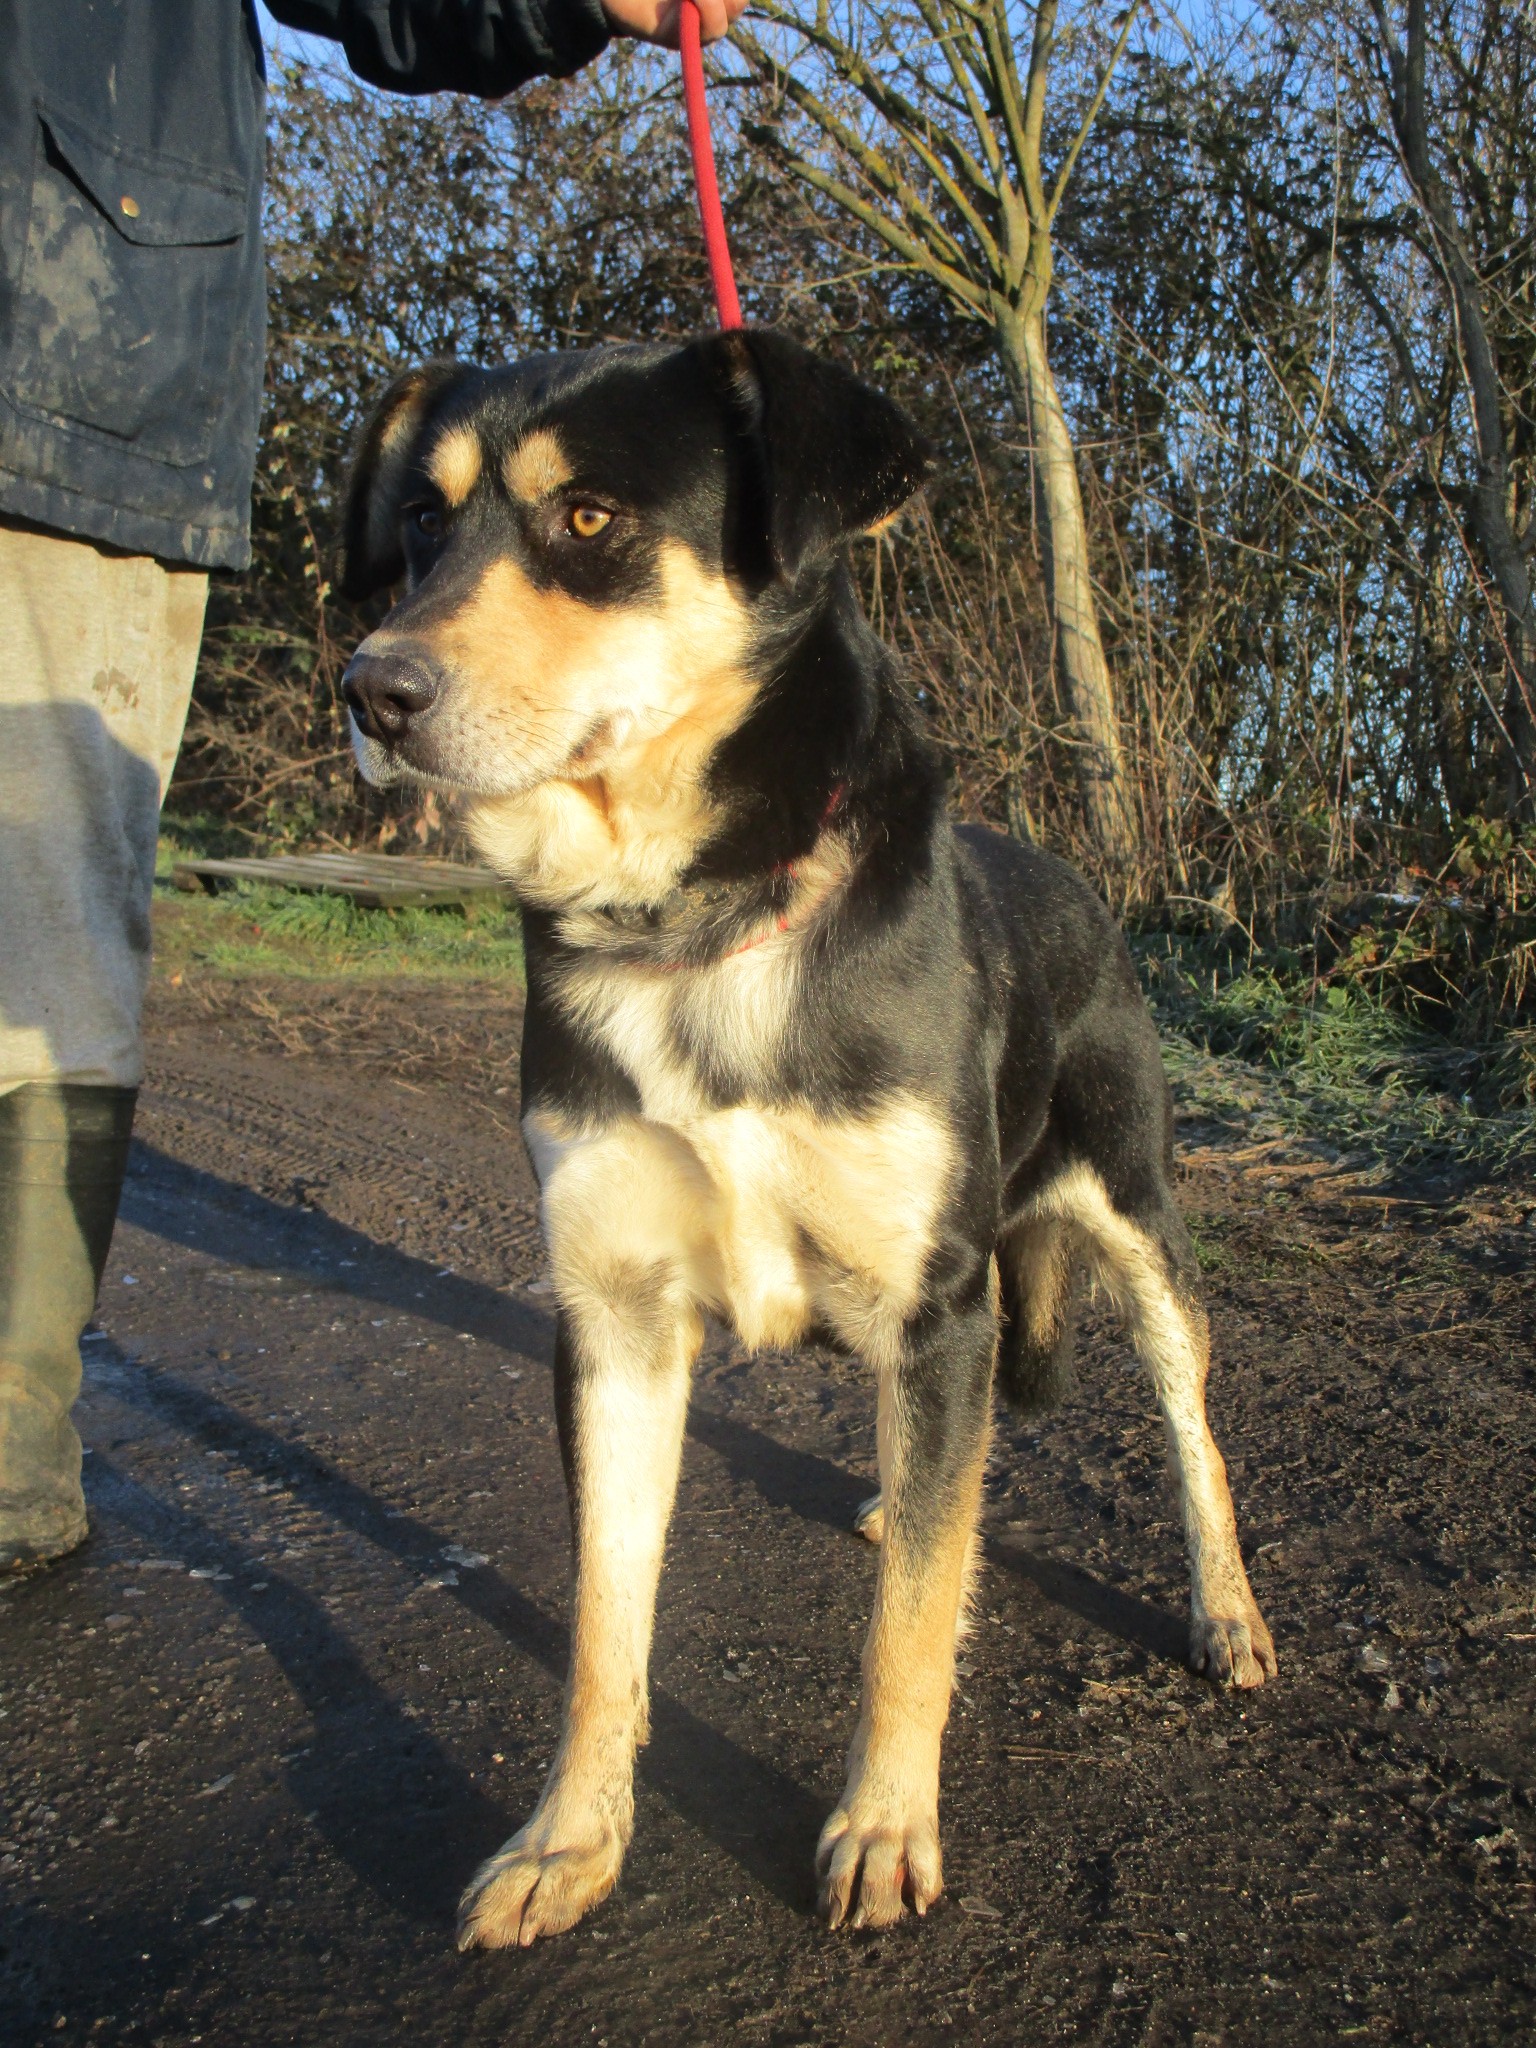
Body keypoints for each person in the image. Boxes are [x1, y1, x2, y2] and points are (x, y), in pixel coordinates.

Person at [0, 0, 746, 1574]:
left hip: (57, 375)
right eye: (432, 533)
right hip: (81, 340)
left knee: (29, 943)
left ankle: (0, 1448)